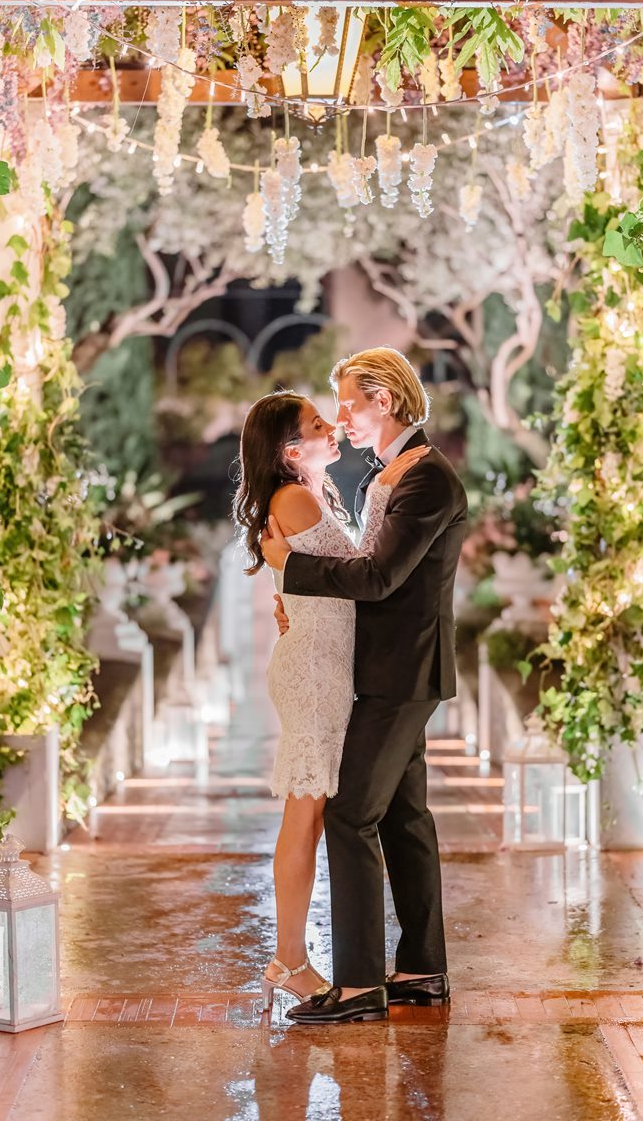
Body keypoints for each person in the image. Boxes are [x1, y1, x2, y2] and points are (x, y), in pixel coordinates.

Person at [261, 347, 468, 1025]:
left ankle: (356, 985)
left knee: (351, 815)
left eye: (347, 401)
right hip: (384, 668)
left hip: (402, 670)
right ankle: (421, 969)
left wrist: (290, 569)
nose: (341, 415)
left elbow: (380, 578)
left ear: (385, 399)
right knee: (405, 817)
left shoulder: (426, 477)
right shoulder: (399, 470)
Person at [232, 389, 428, 1014]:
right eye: (319, 423)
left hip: (323, 664)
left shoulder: (311, 495)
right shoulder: (294, 498)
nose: (332, 427)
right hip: (315, 672)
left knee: (312, 812)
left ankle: (291, 958)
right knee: (306, 814)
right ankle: (289, 961)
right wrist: (384, 488)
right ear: (293, 449)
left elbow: (321, 577)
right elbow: (365, 570)